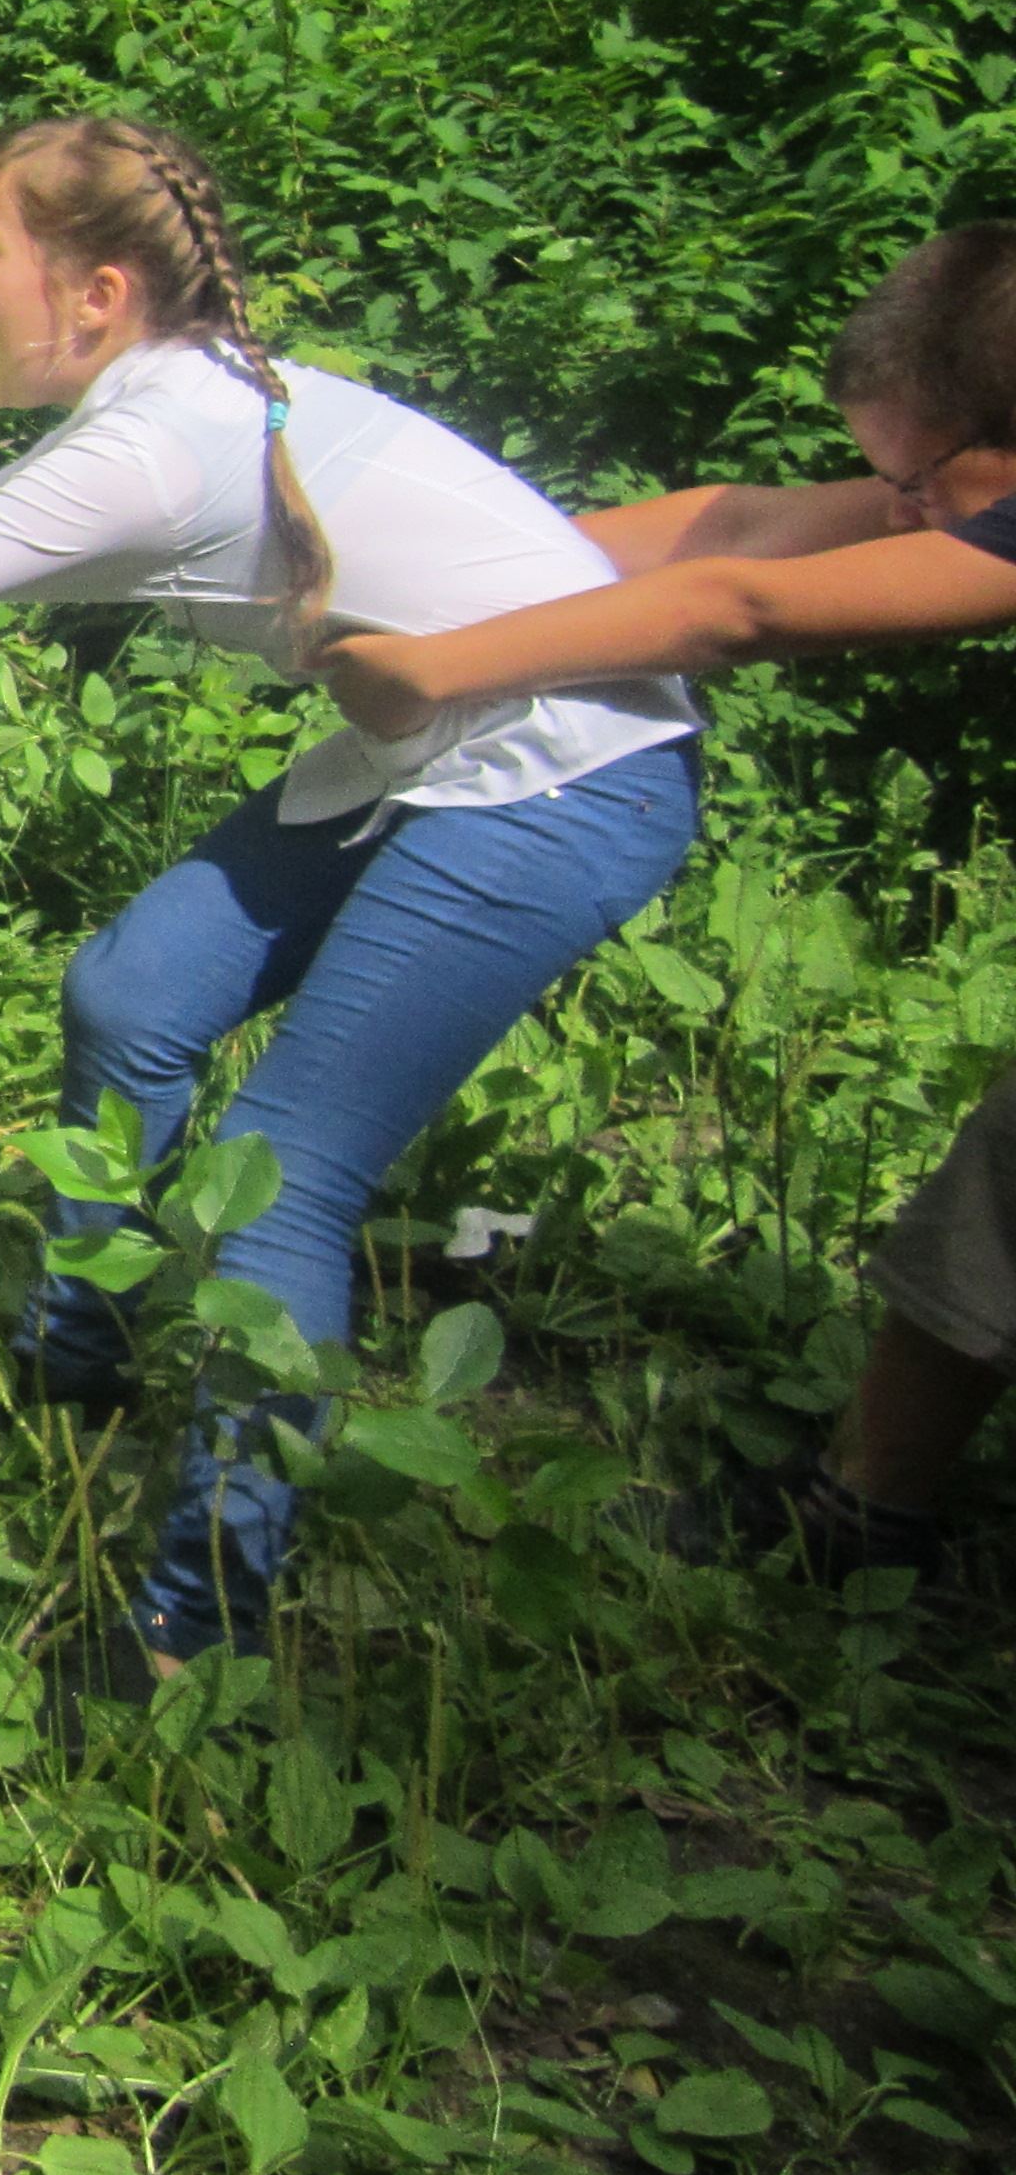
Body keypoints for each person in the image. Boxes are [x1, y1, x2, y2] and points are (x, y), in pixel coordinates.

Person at [0, 115, 702, 1672]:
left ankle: (204, 1616)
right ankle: (74, 1358)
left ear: (95, 292)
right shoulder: (170, 406)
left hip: (563, 781)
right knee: (132, 993)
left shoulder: (153, 445)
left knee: (284, 1167)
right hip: (432, 759)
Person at [325, 224, 1016, 1587]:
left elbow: (740, 608)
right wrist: (431, 580)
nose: (900, 505)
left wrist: (434, 665)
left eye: (917, 478)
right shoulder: (966, 484)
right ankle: (868, 1510)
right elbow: (739, 524)